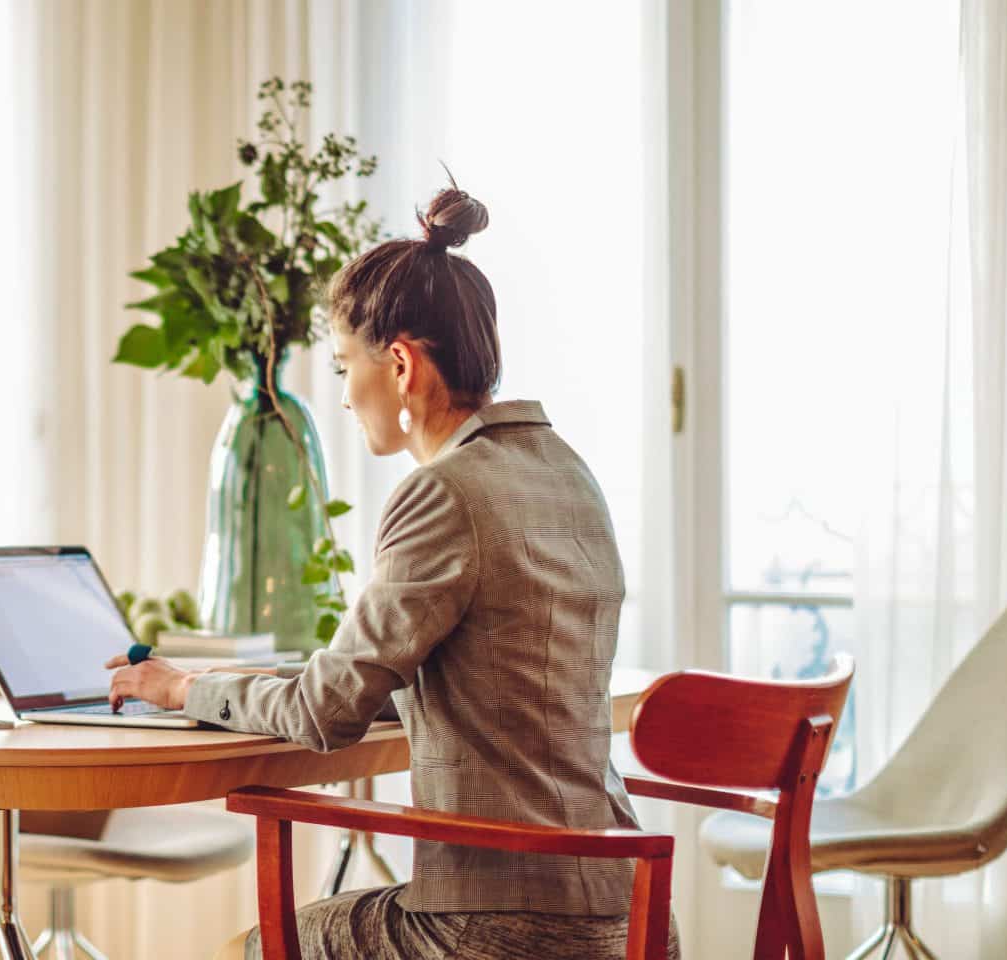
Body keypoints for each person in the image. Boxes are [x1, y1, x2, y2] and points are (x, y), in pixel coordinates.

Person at [106, 185, 681, 959]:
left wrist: (182, 689)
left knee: (247, 951)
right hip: (628, 908)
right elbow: (477, 677)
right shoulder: (565, 472)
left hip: (501, 926)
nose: (343, 395)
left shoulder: (442, 492)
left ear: (402, 364)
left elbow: (324, 714)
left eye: (346, 365)